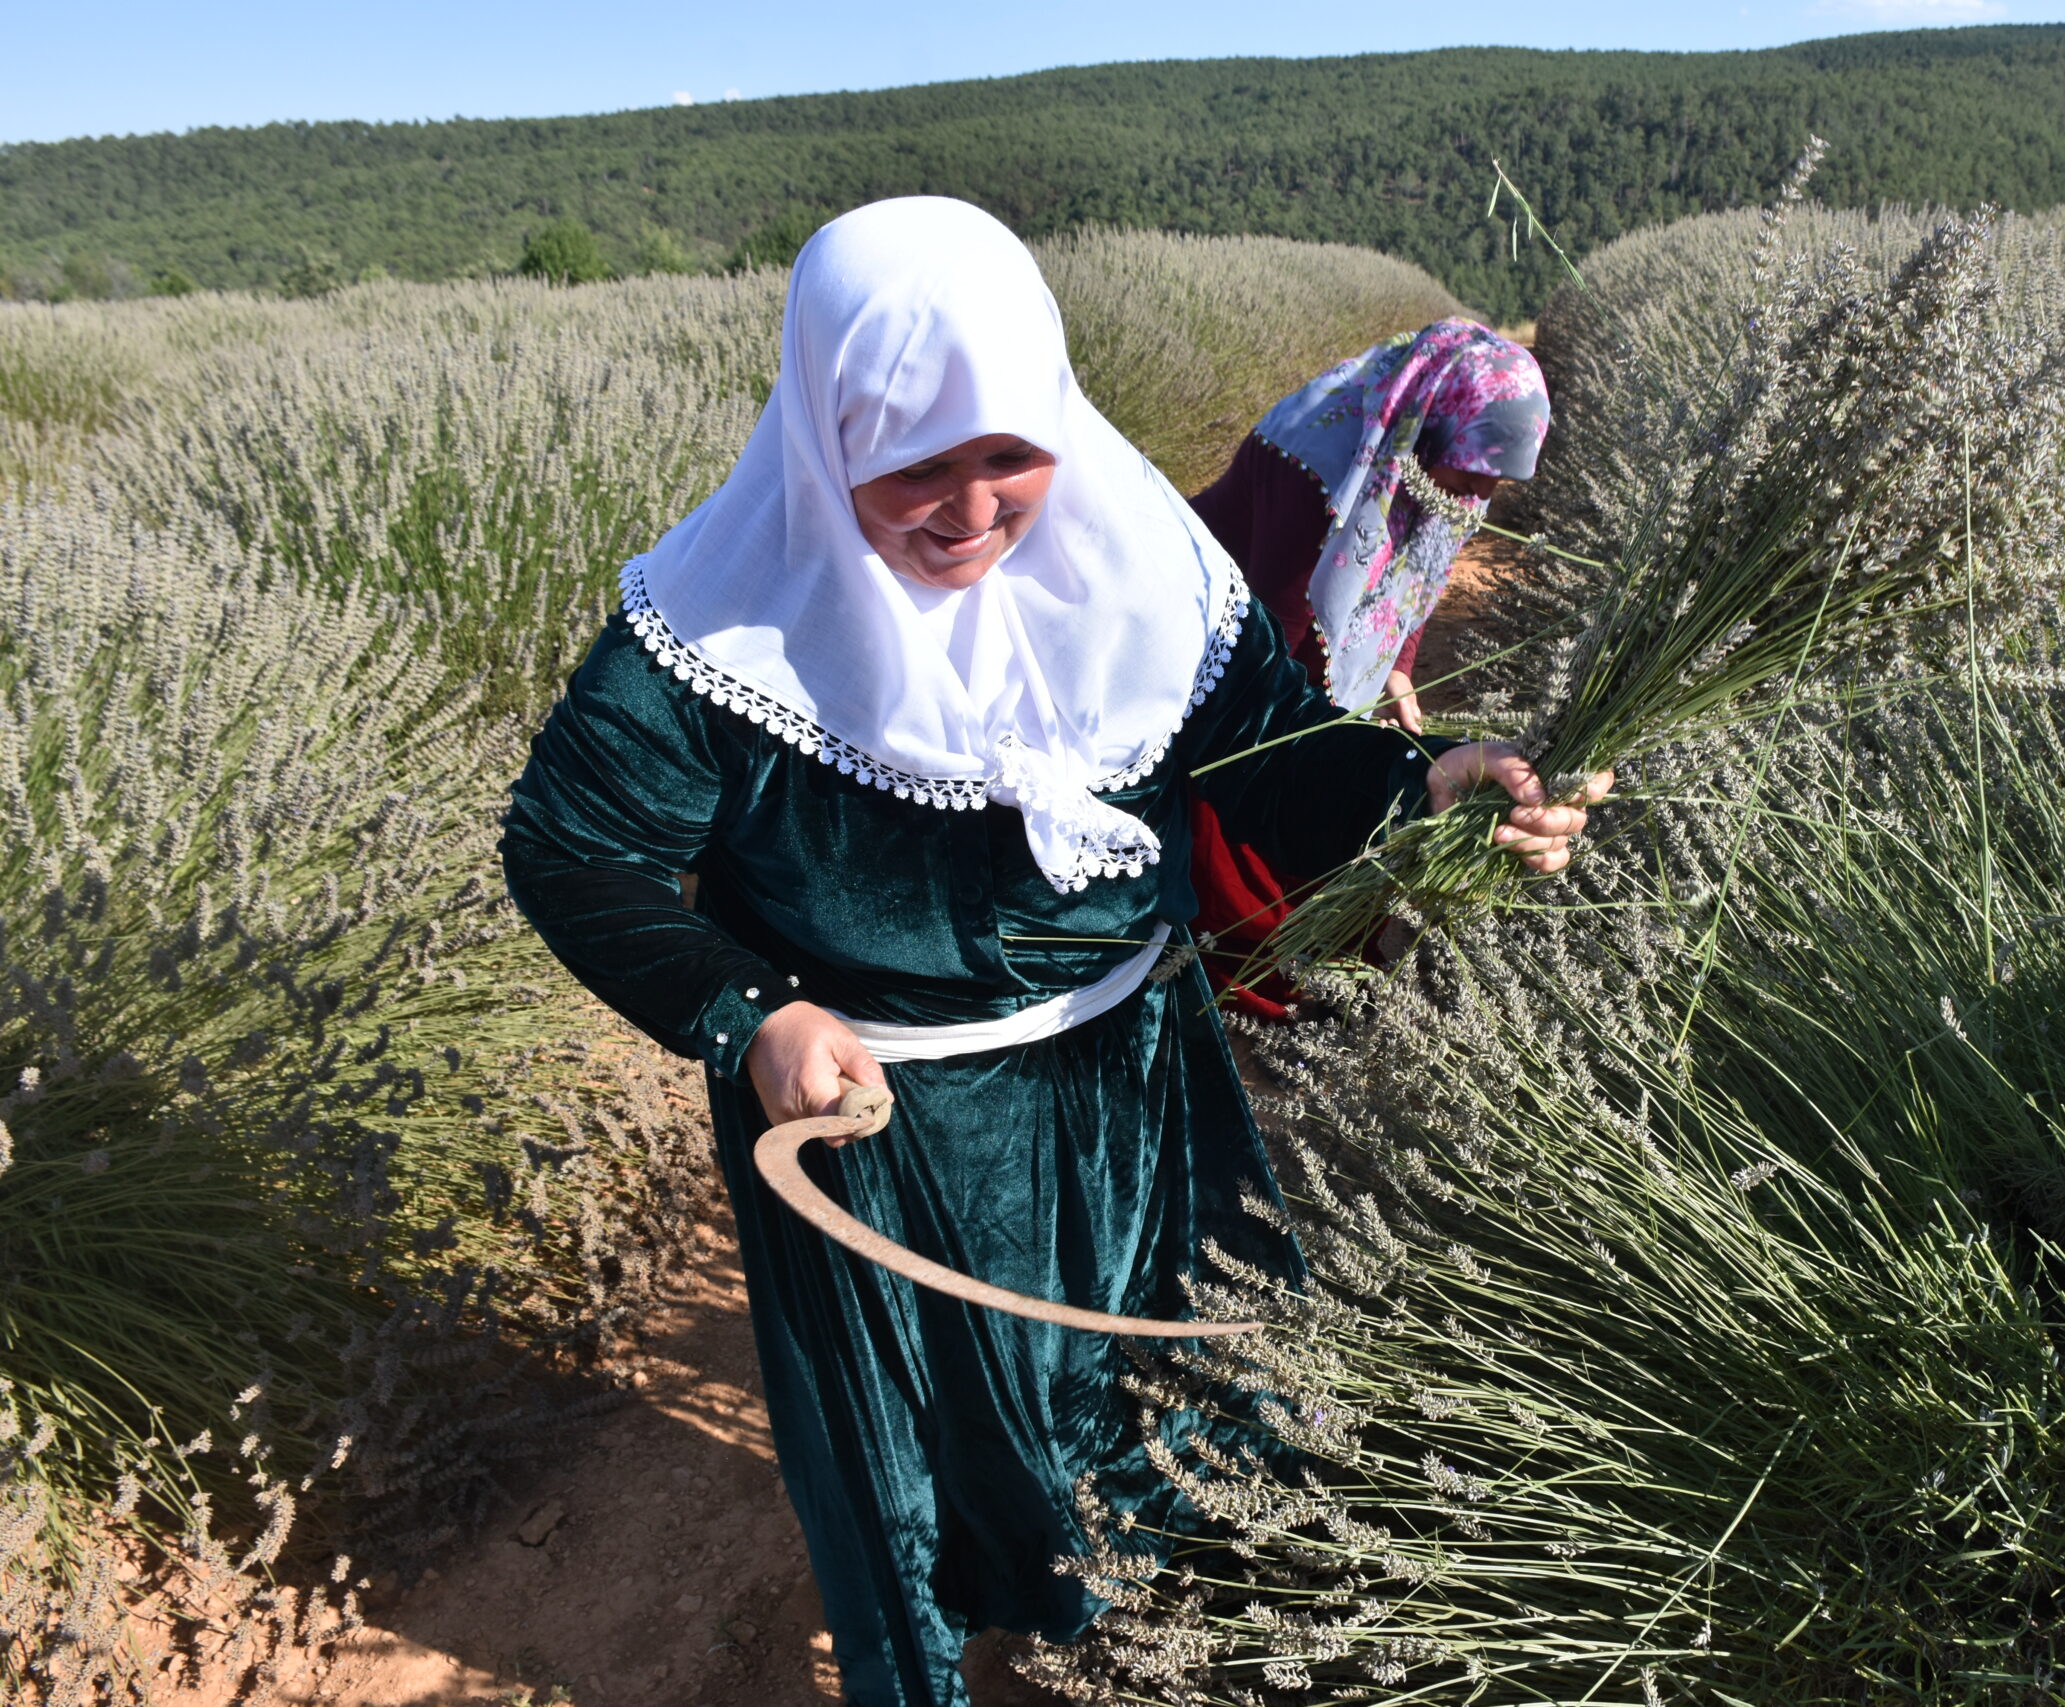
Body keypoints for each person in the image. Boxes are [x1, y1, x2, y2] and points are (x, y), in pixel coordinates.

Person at [497, 198, 1604, 1707]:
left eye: (1006, 451)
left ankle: (1174, 1644)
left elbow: (1274, 750)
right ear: (827, 433)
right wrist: (747, 1011)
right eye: (912, 463)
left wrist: (1424, 784)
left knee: (1176, 1400)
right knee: (932, 1453)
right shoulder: (711, 635)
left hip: (1132, 1087)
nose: (969, 507)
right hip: (885, 1130)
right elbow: (571, 849)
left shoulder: (1143, 571)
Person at [1184, 322, 1549, 1016]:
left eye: (1493, 483)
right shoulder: (1316, 475)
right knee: (1252, 809)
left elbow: (1416, 576)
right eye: (1471, 476)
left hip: (1281, 648)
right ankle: (1261, 972)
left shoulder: (1442, 466)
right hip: (1220, 647)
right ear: (1431, 429)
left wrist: (1397, 669)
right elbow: (1261, 675)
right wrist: (1333, 742)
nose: (1476, 495)